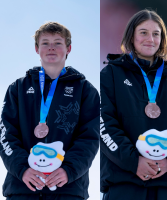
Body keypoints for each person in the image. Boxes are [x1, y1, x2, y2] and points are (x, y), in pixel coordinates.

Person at [100, 9, 167, 200]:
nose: (150, 39)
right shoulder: (110, 75)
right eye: (143, 32)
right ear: (131, 36)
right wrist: (134, 161)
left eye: (156, 34)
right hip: (124, 182)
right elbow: (103, 124)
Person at [0, 22, 100, 200]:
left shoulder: (85, 90)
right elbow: (6, 134)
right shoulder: (18, 88)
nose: (51, 48)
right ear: (37, 49)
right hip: (23, 188)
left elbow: (90, 138)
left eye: (58, 43)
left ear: (68, 48)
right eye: (45, 43)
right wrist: (23, 169)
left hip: (67, 189)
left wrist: (68, 170)